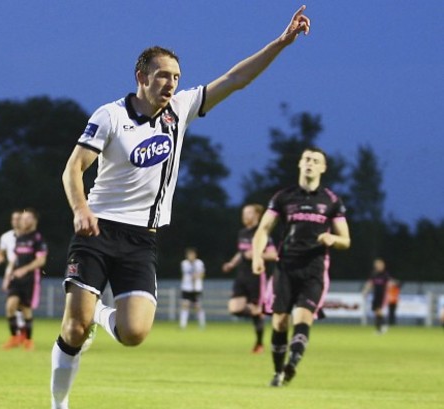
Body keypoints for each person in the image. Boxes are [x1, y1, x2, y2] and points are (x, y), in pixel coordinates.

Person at [50, 6, 312, 408]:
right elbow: (73, 170)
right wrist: (80, 208)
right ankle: (59, 404)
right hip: (97, 230)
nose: (171, 84)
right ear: (141, 77)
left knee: (134, 333)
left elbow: (236, 79)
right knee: (72, 328)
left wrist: (281, 43)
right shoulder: (110, 116)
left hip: (142, 238)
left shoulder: (179, 111)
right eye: (162, 76)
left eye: (176, 77)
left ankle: (104, 315)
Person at [252, 147, 351, 387]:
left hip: (314, 270)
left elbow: (346, 240)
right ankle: (278, 372)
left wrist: (333, 240)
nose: (310, 163)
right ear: (299, 164)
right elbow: (263, 229)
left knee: (303, 317)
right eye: (306, 159)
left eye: (316, 160)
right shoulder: (283, 197)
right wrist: (257, 256)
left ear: (323, 168)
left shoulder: (331, 200)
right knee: (279, 322)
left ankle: (292, 365)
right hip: (285, 268)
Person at [222, 204, 278, 353]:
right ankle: (259, 312)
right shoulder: (242, 233)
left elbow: (273, 255)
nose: (245, 216)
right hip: (241, 276)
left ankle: (259, 344)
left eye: (248, 213)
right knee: (234, 308)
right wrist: (231, 264)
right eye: (243, 213)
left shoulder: (262, 234)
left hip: (256, 277)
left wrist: (257, 255)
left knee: (255, 310)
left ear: (257, 215)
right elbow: (241, 252)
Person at [1, 208, 47, 351]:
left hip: (30, 279)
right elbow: (14, 260)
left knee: (26, 309)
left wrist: (25, 270)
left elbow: (41, 261)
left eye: (27, 218)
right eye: (23, 218)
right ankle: (14, 337)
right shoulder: (19, 238)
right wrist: (7, 276)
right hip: (16, 279)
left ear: (34, 221)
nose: (23, 221)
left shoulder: (38, 239)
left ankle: (28, 340)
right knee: (10, 306)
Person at [0, 210, 27, 348]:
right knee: (13, 306)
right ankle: (18, 336)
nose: (16, 221)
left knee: (21, 306)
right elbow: (1, 251)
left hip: (27, 275)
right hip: (12, 273)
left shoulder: (29, 237)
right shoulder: (6, 237)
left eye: (18, 218)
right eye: (14, 219)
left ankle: (22, 337)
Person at [362, 258, 392, 334]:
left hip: (382, 295)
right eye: (377, 265)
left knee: (378, 310)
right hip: (376, 294)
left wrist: (388, 292)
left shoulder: (385, 274)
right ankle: (379, 329)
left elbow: (389, 284)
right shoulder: (374, 274)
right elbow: (370, 283)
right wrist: (365, 291)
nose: (378, 266)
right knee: (376, 311)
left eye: (380, 265)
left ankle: (384, 325)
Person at [179, 247, 206, 330]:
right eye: (189, 255)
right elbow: (185, 274)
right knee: (185, 305)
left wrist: (197, 276)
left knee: (197, 306)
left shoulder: (199, 263)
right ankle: (183, 325)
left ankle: (202, 324)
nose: (191, 256)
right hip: (186, 288)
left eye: (192, 254)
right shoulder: (184, 263)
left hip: (196, 288)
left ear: (195, 255)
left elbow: (202, 274)